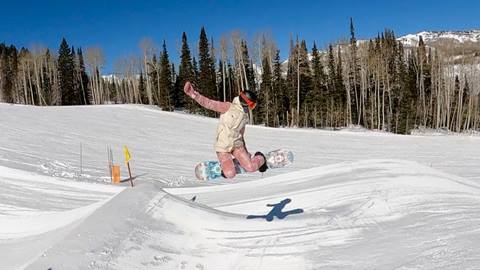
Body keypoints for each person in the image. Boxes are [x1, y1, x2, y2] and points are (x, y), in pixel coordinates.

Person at [183, 81, 267, 179]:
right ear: (245, 102)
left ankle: (260, 157)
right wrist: (194, 95)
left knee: (251, 167)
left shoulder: (245, 116)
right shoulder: (228, 107)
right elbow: (209, 103)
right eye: (252, 105)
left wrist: (247, 153)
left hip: (237, 146)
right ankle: (226, 167)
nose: (251, 108)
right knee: (230, 174)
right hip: (223, 147)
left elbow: (241, 135)